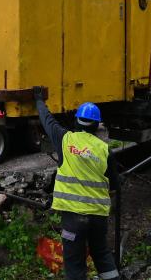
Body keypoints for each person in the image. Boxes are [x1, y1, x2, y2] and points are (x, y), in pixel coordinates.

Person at [34, 88, 120, 280]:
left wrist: (39, 100)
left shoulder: (65, 140)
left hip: (73, 218)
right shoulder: (104, 150)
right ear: (97, 125)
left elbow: (47, 120)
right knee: (102, 254)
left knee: (74, 262)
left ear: (76, 121)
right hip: (98, 217)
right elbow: (114, 185)